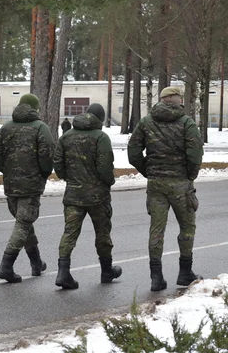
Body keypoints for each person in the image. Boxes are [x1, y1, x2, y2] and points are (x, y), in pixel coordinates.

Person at [128, 86, 204, 291]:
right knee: (187, 227)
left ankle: (156, 276)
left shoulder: (146, 122)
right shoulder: (186, 123)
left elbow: (133, 152)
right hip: (181, 184)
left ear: (162, 100)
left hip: (156, 184)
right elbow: (195, 153)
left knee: (156, 229)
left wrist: (149, 171)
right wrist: (190, 174)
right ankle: (185, 271)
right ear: (177, 99)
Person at [53, 104, 121, 290]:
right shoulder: (101, 137)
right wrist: (107, 182)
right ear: (100, 118)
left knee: (69, 233)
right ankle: (107, 270)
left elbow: (58, 164)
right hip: (98, 196)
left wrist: (70, 178)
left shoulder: (66, 137)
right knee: (103, 233)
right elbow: (105, 166)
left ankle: (63, 272)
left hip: (73, 194)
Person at [0, 94, 54, 283]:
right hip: (31, 184)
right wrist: (43, 174)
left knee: (24, 222)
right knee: (23, 224)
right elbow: (47, 156)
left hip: (11, 185)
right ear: (35, 108)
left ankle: (36, 263)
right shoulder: (40, 128)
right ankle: (6, 266)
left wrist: (7, 171)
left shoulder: (5, 128)